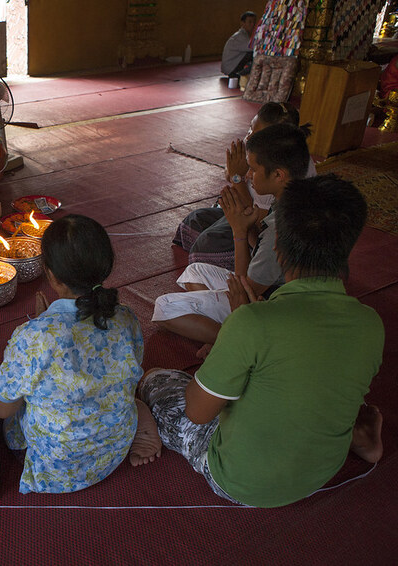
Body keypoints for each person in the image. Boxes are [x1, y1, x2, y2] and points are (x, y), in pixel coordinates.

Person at [139, 174, 384, 508]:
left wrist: (232, 333)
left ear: (278, 247)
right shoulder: (371, 323)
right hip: (322, 470)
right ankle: (360, 437)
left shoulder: (253, 322)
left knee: (156, 380)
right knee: (318, 380)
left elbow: (197, 412)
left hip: (242, 481)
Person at [0, 214, 162, 494]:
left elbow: (1, 408)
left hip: (58, 466)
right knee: (130, 397)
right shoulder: (127, 318)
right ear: (105, 266)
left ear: (51, 274)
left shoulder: (34, 337)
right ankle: (139, 423)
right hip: (111, 450)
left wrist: (43, 327)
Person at [153, 123, 310, 346]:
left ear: (278, 174)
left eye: (253, 170)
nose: (249, 175)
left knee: (164, 306)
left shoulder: (282, 226)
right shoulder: (293, 198)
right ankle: (221, 324)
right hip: (270, 289)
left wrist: (238, 232)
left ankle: (232, 339)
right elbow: (258, 244)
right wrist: (245, 226)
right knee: (194, 270)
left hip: (271, 304)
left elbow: (245, 291)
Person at [174, 102, 315, 270]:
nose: (248, 137)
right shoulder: (265, 150)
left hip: (259, 226)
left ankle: (247, 258)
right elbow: (232, 172)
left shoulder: (278, 169)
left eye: (256, 134)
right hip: (246, 211)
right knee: (193, 222)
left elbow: (257, 222)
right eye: (250, 129)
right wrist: (235, 174)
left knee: (205, 245)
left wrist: (237, 180)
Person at [221, 11, 257, 79]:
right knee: (256, 55)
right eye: (250, 22)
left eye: (254, 22)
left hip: (232, 66)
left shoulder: (246, 35)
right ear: (242, 23)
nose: (253, 24)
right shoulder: (239, 37)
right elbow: (254, 47)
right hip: (231, 69)